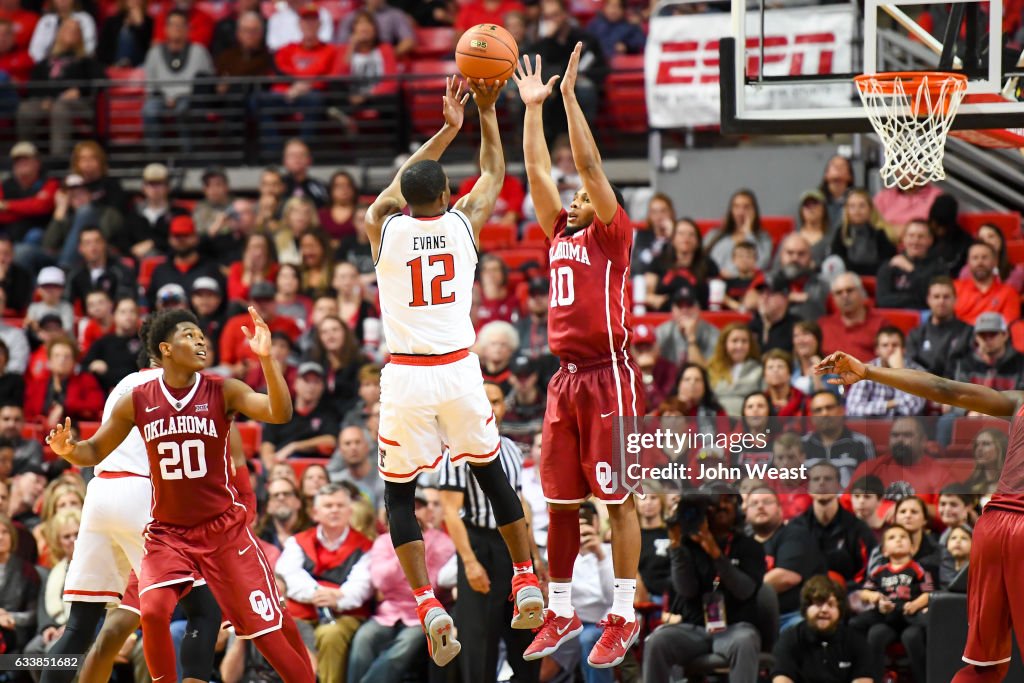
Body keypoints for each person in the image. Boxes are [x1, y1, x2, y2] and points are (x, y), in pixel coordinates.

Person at [364, 75, 542, 666]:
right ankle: (524, 579)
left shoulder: (385, 227)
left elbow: (398, 190)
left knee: (399, 495)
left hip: (408, 377)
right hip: (460, 372)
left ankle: (425, 602)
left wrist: (446, 129)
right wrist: (487, 113)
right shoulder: (463, 223)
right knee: (495, 477)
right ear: (446, 195)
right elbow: (494, 172)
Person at [45, 307, 315, 682]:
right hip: (159, 520)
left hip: (182, 518)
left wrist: (267, 360)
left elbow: (278, 412)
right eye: (189, 335)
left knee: (88, 626)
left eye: (201, 334)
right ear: (164, 350)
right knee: (187, 612)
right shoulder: (140, 397)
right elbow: (93, 449)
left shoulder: (217, 389)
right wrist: (70, 450)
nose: (201, 340)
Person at [516, 44, 646, 667]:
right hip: (565, 382)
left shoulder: (613, 235)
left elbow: (588, 163)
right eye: (572, 196)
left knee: (616, 500)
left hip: (609, 376)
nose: (572, 196)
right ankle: (563, 608)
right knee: (562, 503)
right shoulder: (560, 235)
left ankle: (623, 612)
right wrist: (533, 108)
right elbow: (539, 171)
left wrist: (569, 100)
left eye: (584, 195)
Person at [40, 319, 243, 683]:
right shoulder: (175, 388)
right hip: (144, 498)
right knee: (205, 610)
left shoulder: (122, 386)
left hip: (100, 495)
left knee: (81, 627)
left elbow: (97, 447)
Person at [815, 345, 1024, 682]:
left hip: (992, 526)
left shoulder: (1020, 401)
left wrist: (868, 371)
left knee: (985, 668)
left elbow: (944, 389)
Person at [438, 381, 543, 683]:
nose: (490, 408)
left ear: (503, 407)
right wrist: (469, 562)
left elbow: (521, 505)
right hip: (478, 543)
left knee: (525, 635)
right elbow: (450, 511)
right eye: (484, 401)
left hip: (513, 547)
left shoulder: (511, 449)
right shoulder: (457, 450)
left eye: (496, 401)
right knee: (479, 640)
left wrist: (535, 560)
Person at [642, 487, 765, 683]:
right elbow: (686, 590)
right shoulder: (688, 547)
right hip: (694, 629)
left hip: (734, 628)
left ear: (738, 509)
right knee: (657, 641)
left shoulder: (750, 546)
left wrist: (716, 553)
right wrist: (676, 546)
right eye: (714, 504)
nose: (721, 507)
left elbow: (745, 590)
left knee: (745, 640)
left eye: (728, 501)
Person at [850, 524, 931, 683]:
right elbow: (864, 592)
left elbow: (931, 593)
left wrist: (915, 604)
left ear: (912, 548)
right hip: (886, 614)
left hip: (910, 615)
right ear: (884, 550)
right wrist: (877, 599)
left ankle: (924, 679)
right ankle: (868, 677)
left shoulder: (919, 569)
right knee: (868, 630)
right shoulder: (879, 571)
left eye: (903, 537)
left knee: (914, 635)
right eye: (892, 538)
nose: (898, 540)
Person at [770, 575, 878, 683]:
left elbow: (864, 679)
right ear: (806, 608)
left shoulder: (856, 640)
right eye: (818, 604)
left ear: (840, 610)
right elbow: (781, 678)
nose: (824, 610)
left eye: (831, 604)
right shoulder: (789, 638)